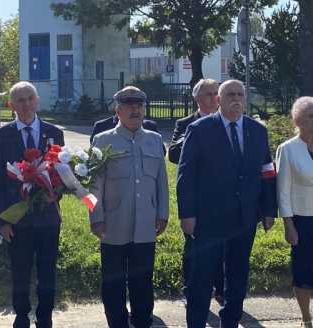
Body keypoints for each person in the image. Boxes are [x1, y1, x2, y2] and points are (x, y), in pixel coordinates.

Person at [177, 79, 277, 328]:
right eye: (230, 94)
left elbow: (267, 171)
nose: (236, 99)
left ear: (245, 99)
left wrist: (268, 209)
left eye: (240, 95)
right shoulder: (200, 129)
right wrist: (187, 214)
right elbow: (185, 175)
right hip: (208, 218)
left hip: (244, 217)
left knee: (238, 276)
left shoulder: (257, 130)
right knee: (201, 278)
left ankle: (230, 321)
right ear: (219, 100)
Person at [90, 86, 169, 328]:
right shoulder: (102, 140)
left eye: (139, 105)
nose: (135, 109)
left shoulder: (155, 140)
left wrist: (163, 213)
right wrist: (95, 217)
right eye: (129, 105)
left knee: (143, 282)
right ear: (118, 110)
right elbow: (93, 186)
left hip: (146, 224)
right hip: (113, 225)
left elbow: (162, 182)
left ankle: (142, 322)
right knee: (113, 283)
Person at [0, 81, 64, 328]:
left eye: (29, 98)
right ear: (11, 105)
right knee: (20, 271)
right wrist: (3, 221)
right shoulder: (2, 136)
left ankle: (45, 317)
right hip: (17, 220)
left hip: (48, 218)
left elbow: (64, 174)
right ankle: (21, 315)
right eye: (19, 100)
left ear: (37, 101)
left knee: (47, 272)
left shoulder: (55, 133)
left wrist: (57, 194)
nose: (26, 104)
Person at [168, 78, 224, 305]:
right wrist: (192, 136)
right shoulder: (185, 123)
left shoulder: (227, 121)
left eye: (216, 93)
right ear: (197, 98)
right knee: (193, 246)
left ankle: (222, 290)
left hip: (223, 196)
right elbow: (172, 154)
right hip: (196, 197)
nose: (213, 98)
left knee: (223, 245)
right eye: (208, 94)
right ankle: (191, 289)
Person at [276, 96, 313, 328]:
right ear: (299, 120)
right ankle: (306, 317)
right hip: (302, 220)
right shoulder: (287, 149)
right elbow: (282, 191)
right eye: (311, 116)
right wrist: (288, 224)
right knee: (303, 272)